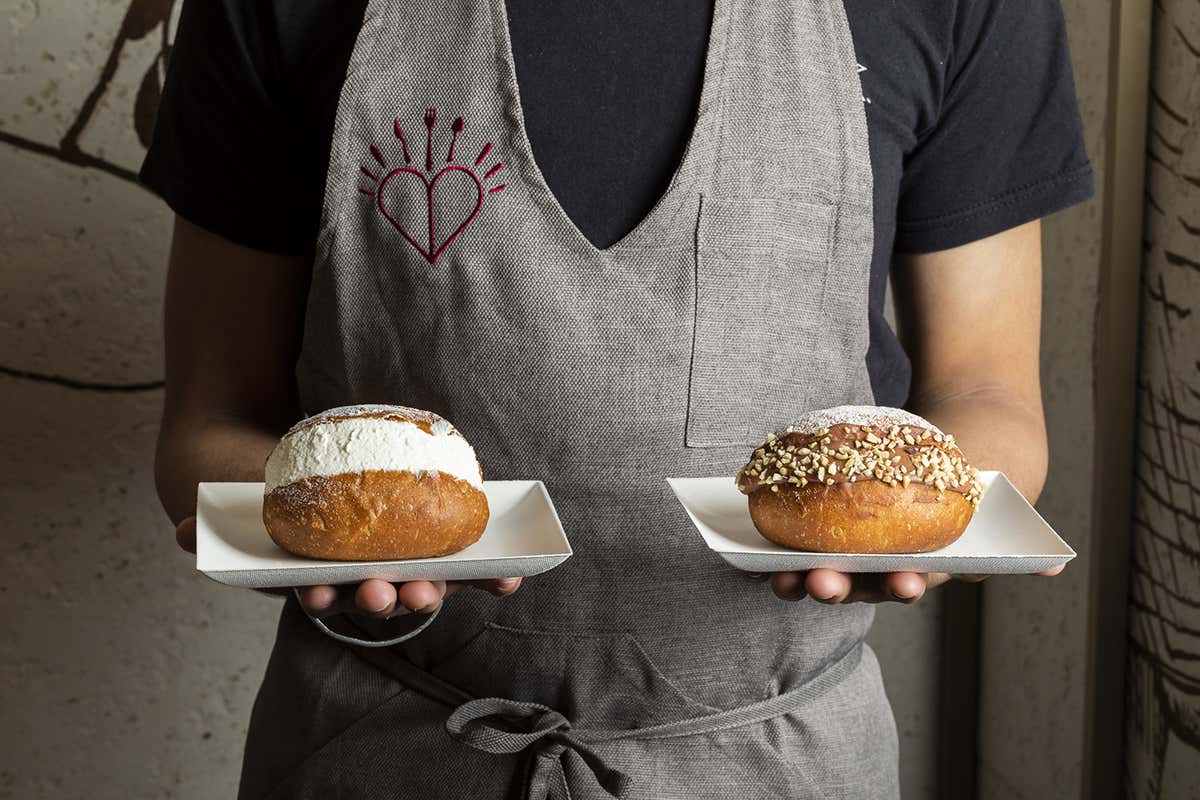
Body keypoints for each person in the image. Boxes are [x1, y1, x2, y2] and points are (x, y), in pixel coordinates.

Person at [145, 0, 1090, 796]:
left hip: (780, 760)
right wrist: (299, 532)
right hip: (381, 745)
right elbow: (208, 423)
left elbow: (986, 391)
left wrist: (937, 522)